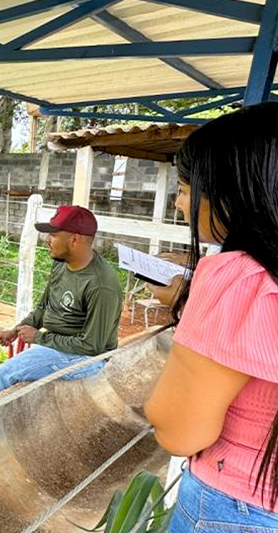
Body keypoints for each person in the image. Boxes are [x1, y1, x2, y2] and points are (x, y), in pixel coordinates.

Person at [144, 102, 278, 532]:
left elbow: (177, 430)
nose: (180, 203)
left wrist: (202, 310)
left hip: (233, 509)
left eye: (185, 187)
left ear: (240, 191)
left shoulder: (236, 276)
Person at [0, 205, 122, 394]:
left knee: (4, 375)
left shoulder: (101, 285)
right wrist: (15, 330)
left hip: (87, 358)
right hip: (59, 347)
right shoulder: (61, 264)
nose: (47, 240)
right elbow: (44, 307)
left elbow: (92, 346)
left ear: (74, 239)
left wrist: (38, 337)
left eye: (53, 235)